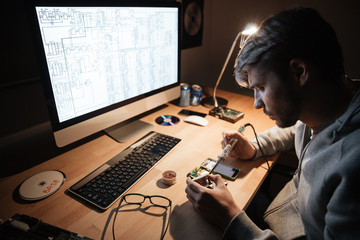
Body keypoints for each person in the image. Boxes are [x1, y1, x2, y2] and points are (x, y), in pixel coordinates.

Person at [185, 6, 360, 239]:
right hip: (283, 213)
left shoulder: (352, 168)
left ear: (299, 72)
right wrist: (255, 146)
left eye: (260, 88)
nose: (256, 104)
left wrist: (230, 218)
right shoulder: (327, 107)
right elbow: (296, 132)